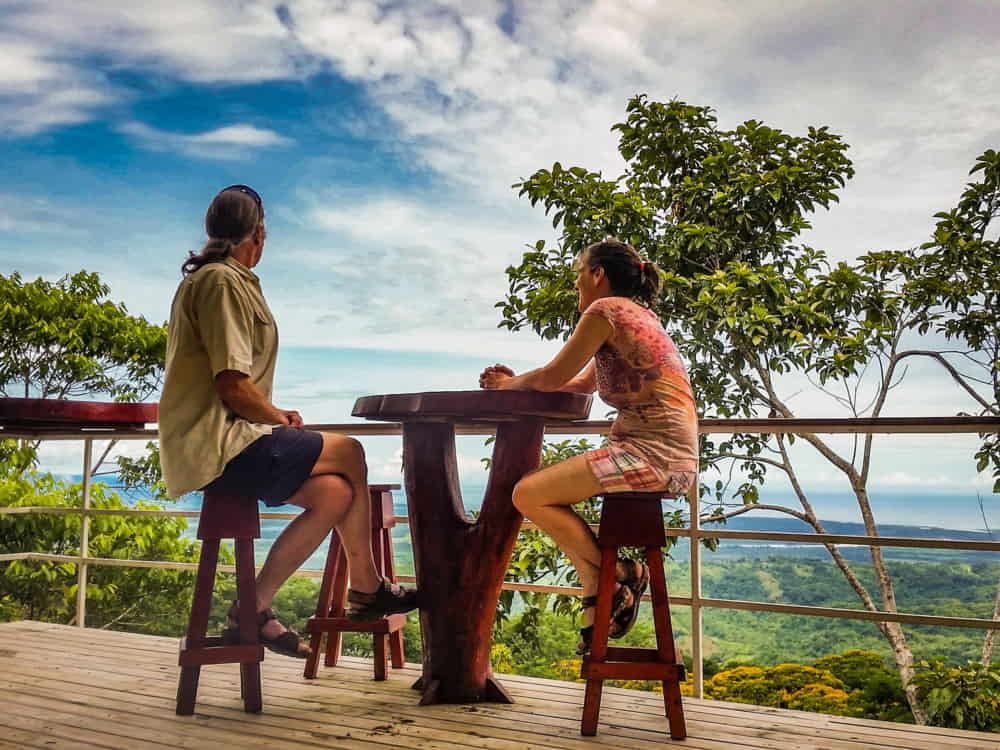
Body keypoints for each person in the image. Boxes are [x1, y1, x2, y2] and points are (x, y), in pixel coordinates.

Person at [159, 185, 417, 658]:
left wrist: (274, 419)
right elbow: (232, 384)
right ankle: (366, 587)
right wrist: (277, 417)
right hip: (221, 445)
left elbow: (236, 385)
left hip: (236, 438)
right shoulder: (221, 282)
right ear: (258, 234)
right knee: (351, 450)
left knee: (335, 493)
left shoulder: (222, 279)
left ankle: (251, 610)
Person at [480, 238, 698, 654]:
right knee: (537, 493)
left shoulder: (605, 311)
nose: (577, 281)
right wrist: (520, 381)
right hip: (667, 454)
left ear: (598, 275)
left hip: (654, 456)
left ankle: (617, 573)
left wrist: (508, 385)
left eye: (581, 271)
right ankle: (601, 592)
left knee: (527, 493)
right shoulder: (637, 317)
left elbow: (551, 375)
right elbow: (576, 384)